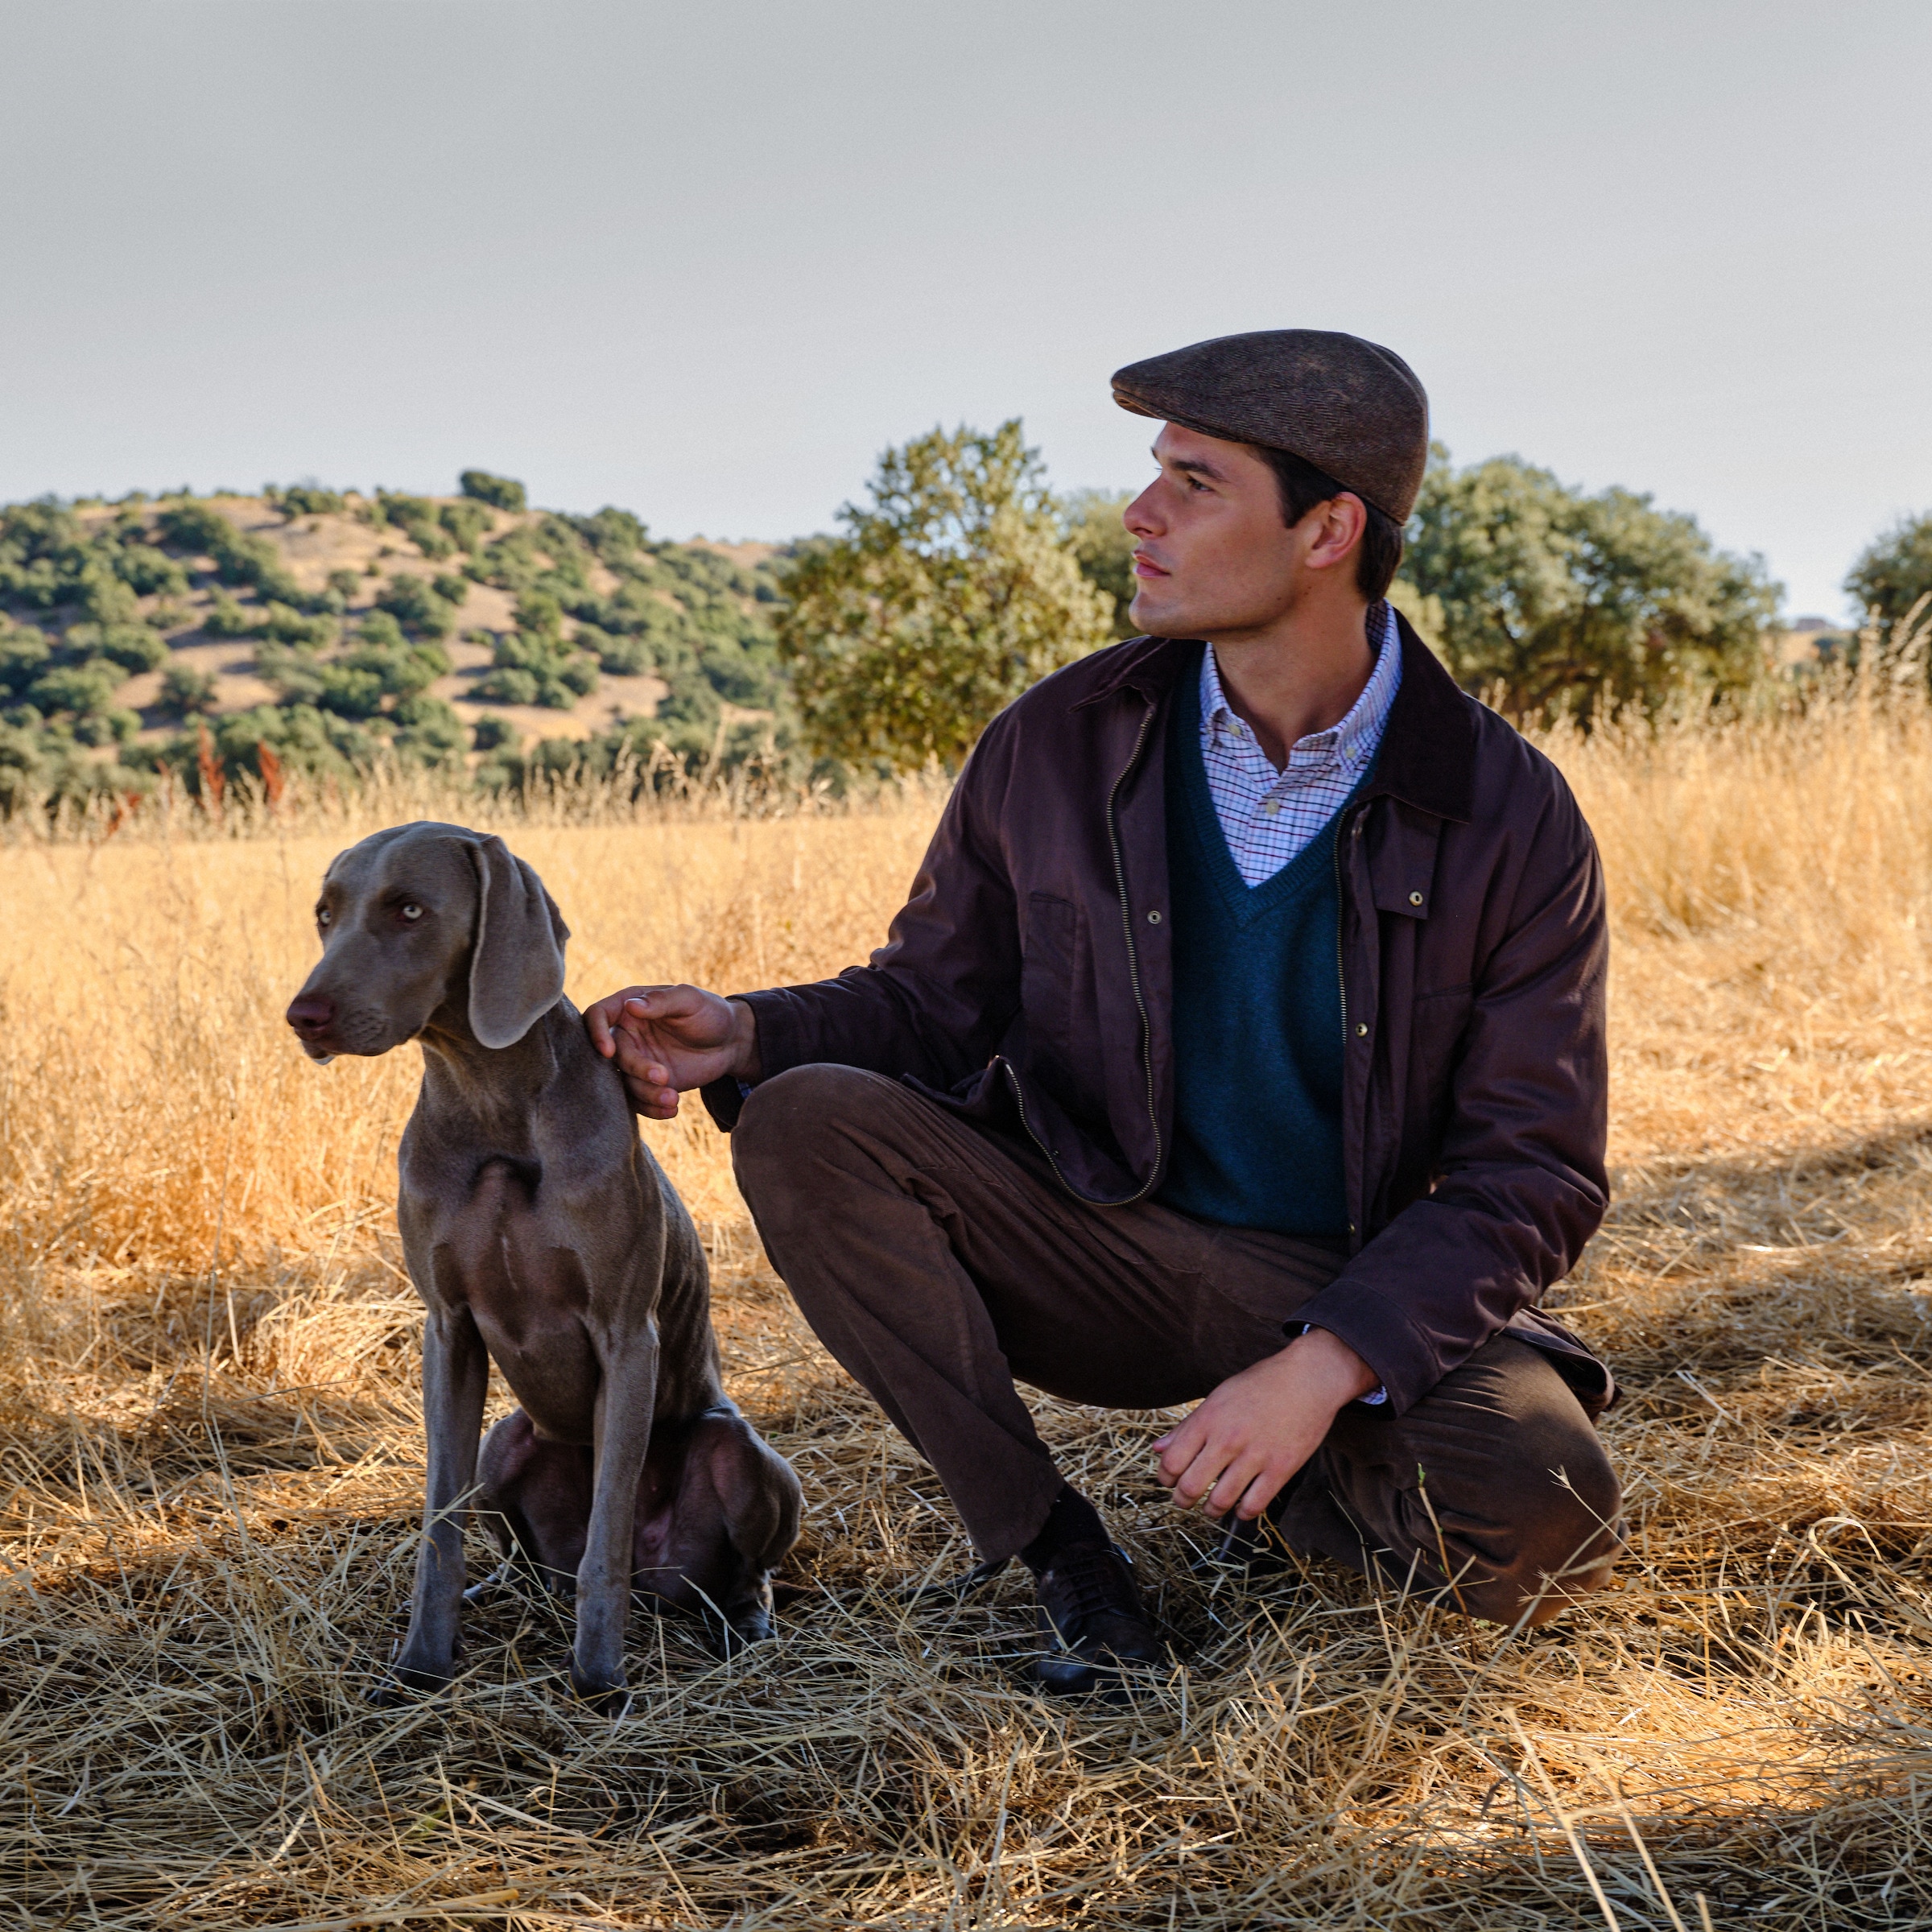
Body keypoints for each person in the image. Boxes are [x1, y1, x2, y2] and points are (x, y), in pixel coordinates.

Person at [587, 329, 1620, 1695]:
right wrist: (755, 1032)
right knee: (803, 1121)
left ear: (1330, 529)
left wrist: (1322, 1370)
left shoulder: (1506, 811)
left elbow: (1530, 1172)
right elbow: (933, 1003)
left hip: (1341, 1279)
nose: (1140, 515)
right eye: (1152, 475)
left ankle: (1288, 1493)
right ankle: (1063, 1559)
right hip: (1092, 1238)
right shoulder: (1056, 737)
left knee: (1547, 1511)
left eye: (1194, 483)